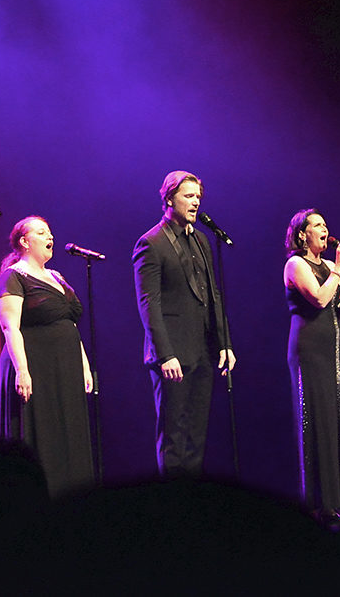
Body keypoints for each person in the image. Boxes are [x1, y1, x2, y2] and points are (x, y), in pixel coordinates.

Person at [133, 171, 235, 478]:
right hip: (173, 353)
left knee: (196, 434)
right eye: (188, 196)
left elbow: (213, 295)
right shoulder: (151, 243)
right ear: (169, 199)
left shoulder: (202, 239)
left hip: (202, 351)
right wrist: (165, 354)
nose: (196, 202)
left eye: (198, 196)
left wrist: (224, 343)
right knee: (173, 433)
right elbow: (149, 303)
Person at [0, 216, 94, 496]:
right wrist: (22, 370)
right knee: (42, 429)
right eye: (41, 233)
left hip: (65, 366)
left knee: (68, 428)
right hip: (36, 364)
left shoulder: (57, 277)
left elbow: (69, 324)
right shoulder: (13, 276)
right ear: (24, 242)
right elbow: (9, 326)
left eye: (50, 232)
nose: (50, 237)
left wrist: (84, 365)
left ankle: (71, 494)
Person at [282, 209, 340, 520]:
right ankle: (321, 502)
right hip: (309, 349)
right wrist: (339, 270)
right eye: (317, 225)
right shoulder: (295, 264)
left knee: (338, 417)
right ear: (303, 234)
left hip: (334, 348)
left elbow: (337, 314)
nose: (324, 229)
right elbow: (317, 299)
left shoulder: (328, 265)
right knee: (318, 418)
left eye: (325, 224)